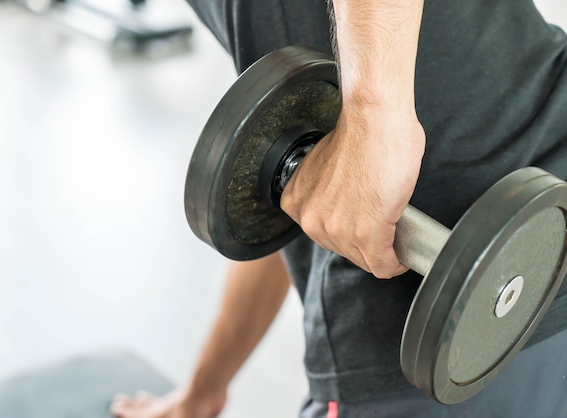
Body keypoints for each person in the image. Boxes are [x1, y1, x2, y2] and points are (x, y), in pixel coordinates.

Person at [111, 0, 567, 416]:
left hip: (455, 339)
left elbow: (344, 175)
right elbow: (307, 199)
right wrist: (204, 390)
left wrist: (374, 110)